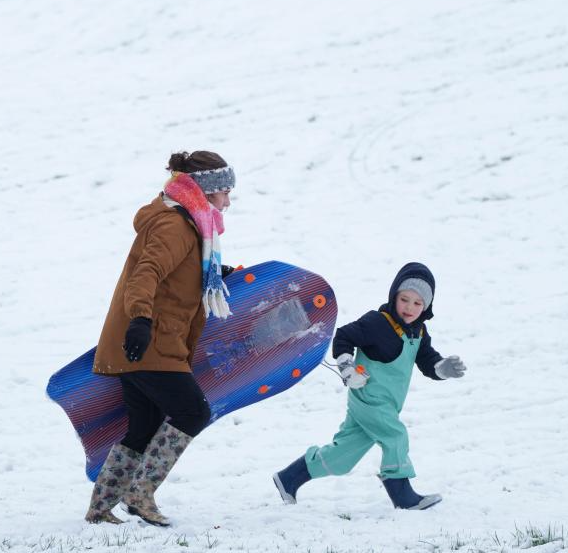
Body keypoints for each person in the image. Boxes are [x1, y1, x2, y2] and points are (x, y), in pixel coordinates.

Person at [85, 150, 236, 526]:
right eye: (224, 193)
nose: (228, 201)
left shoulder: (188, 223)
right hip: (150, 341)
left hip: (147, 342)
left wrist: (214, 274)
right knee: (193, 411)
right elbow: (146, 273)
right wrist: (139, 319)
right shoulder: (175, 225)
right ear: (206, 192)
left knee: (145, 423)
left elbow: (174, 274)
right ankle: (139, 494)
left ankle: (102, 507)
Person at [272, 262, 467, 510]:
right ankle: (402, 495)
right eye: (405, 299)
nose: (409, 308)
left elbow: (426, 359)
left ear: (426, 307)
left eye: (418, 303)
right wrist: (347, 367)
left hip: (386, 403)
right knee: (395, 435)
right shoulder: (378, 323)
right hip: (368, 398)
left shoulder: (418, 332)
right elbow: (344, 336)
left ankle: (289, 478)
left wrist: (441, 368)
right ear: (394, 295)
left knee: (342, 457)